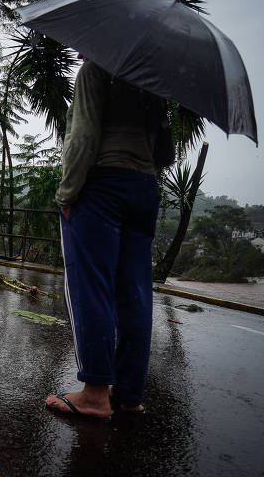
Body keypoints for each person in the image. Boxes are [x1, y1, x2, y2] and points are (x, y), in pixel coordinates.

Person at [45, 57, 167, 418]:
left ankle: (96, 393)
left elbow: (82, 136)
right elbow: (165, 152)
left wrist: (67, 195)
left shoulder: (96, 70)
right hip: (144, 187)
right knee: (135, 293)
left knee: (90, 286)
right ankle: (129, 396)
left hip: (101, 187)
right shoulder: (152, 79)